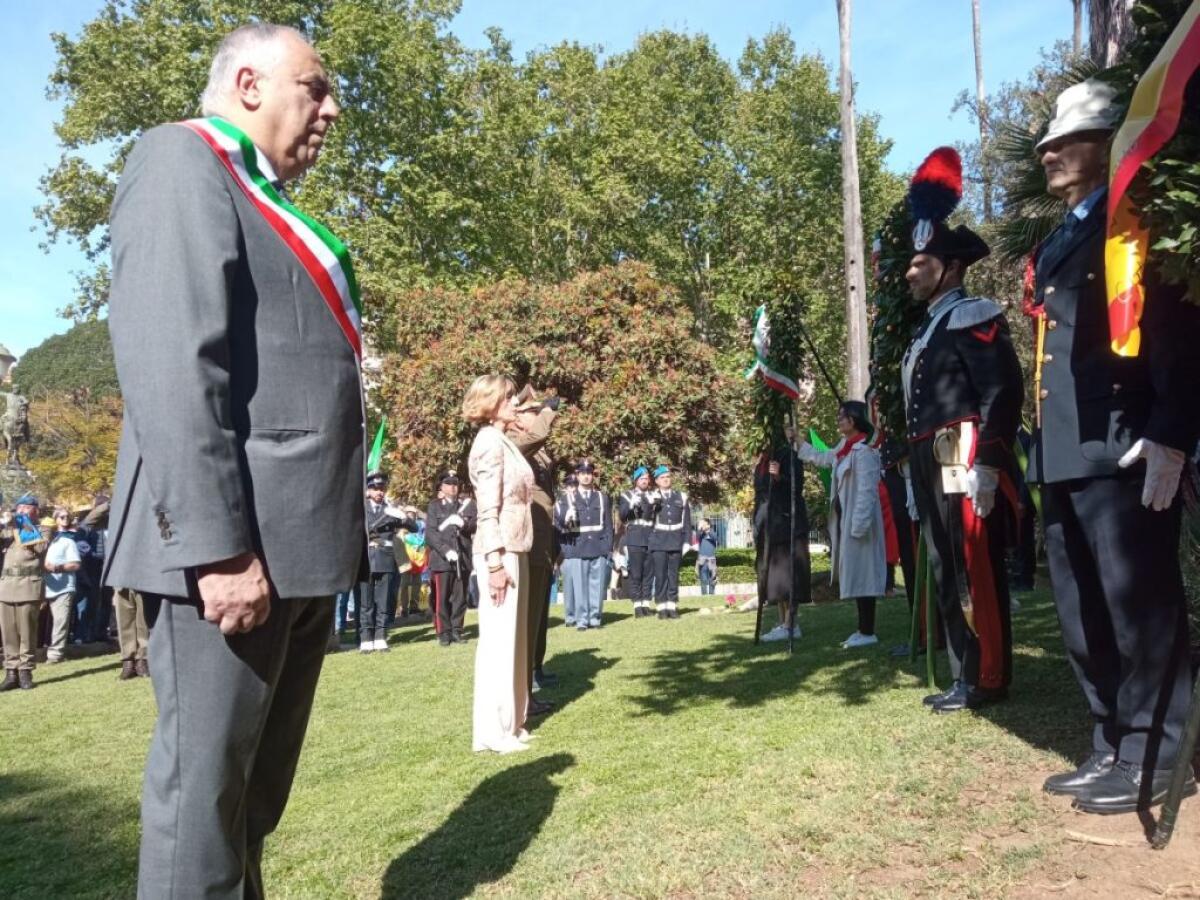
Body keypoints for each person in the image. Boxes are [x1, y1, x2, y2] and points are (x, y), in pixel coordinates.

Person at [104, 24, 361, 897]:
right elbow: (173, 365)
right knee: (203, 806)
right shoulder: (180, 163)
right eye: (314, 87)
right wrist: (217, 549)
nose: (331, 109)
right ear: (248, 83)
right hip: (234, 554)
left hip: (295, 548)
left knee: (247, 806)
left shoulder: (257, 195)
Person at [1027, 80, 1200, 814]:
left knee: (1140, 605)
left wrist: (1171, 430)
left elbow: (1177, 325)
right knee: (1082, 610)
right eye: (1048, 142)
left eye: (1069, 138)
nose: (1049, 152)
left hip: (1123, 439)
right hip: (1066, 446)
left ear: (1110, 145)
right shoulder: (1063, 235)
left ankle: (1157, 753)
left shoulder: (1135, 221)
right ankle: (1111, 742)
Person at [900, 146, 1023, 714]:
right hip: (930, 457)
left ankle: (988, 674)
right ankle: (962, 672)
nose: (909, 271)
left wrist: (989, 463)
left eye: (919, 262)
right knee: (945, 564)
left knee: (974, 564)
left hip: (964, 450)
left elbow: (1003, 392)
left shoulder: (973, 314)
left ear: (948, 266)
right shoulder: (928, 329)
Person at [463, 374, 536, 754]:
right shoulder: (489, 442)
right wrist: (493, 562)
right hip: (499, 550)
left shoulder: (502, 439)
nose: (514, 402)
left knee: (514, 642)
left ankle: (512, 722)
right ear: (490, 402)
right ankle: (493, 732)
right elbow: (486, 509)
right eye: (508, 397)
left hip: (514, 547)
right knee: (497, 642)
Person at [799, 403, 887, 648]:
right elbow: (825, 457)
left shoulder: (865, 451)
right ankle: (862, 629)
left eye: (842, 417)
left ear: (854, 419)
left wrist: (859, 524)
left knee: (865, 574)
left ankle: (868, 631)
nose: (839, 420)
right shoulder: (844, 449)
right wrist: (799, 442)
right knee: (857, 574)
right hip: (846, 519)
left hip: (860, 522)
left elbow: (867, 491)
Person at [507, 389, 561, 702]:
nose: (538, 416)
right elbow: (536, 436)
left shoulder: (536, 448)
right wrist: (548, 413)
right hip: (528, 542)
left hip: (542, 540)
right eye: (534, 411)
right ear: (521, 414)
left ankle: (534, 672)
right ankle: (523, 690)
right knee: (526, 620)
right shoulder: (512, 440)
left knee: (539, 614)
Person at [753, 428, 811, 642]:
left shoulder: (789, 454)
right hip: (770, 523)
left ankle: (791, 623)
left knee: (789, 577)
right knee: (776, 579)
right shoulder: (763, 459)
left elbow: (796, 486)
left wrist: (780, 477)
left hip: (787, 523)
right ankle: (782, 621)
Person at [554, 459, 614, 631]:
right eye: (582, 473)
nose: (586, 477)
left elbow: (608, 525)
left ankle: (595, 618)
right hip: (577, 548)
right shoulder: (567, 499)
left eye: (589, 473)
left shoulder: (602, 498)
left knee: (597, 585)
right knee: (580, 587)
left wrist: (607, 548)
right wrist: (566, 519)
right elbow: (558, 523)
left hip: (598, 546)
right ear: (578, 475)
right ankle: (581, 620)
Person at [0, 494, 48, 690]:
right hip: (7, 585)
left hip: (29, 585)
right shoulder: (9, 530)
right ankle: (11, 672)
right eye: (19, 508)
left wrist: (20, 522)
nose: (20, 511)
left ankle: (25, 671)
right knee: (8, 632)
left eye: (26, 508)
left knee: (27, 631)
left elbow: (40, 546)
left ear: (35, 511)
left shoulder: (43, 528)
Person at [426, 473, 478, 647]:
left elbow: (475, 524)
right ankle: (443, 631)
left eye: (455, 483)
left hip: (462, 558)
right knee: (441, 598)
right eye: (448, 484)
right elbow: (431, 534)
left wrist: (463, 523)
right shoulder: (434, 507)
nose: (452, 487)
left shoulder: (466, 506)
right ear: (441, 487)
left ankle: (457, 630)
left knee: (460, 597)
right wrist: (445, 550)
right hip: (442, 560)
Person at [361, 470, 400, 653]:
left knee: (383, 601)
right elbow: (361, 530)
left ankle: (380, 636)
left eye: (382, 488)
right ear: (368, 490)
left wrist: (401, 515)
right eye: (375, 488)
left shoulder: (390, 508)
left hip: (385, 557)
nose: (379, 492)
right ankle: (366, 638)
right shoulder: (361, 509)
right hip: (367, 558)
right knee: (366, 602)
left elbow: (413, 526)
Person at [647, 465, 692, 619]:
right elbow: (646, 519)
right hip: (659, 540)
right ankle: (661, 606)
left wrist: (687, 541)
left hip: (676, 539)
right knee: (660, 575)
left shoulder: (681, 496)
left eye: (668, 477)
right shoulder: (652, 497)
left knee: (673, 574)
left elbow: (687, 522)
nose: (666, 480)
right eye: (662, 478)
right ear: (657, 481)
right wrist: (651, 505)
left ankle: (672, 605)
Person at [44, 506, 82, 664]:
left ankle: (55, 656)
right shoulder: (46, 542)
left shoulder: (69, 541)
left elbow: (76, 565)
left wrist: (58, 568)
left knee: (60, 622)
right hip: (44, 587)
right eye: (62, 517)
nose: (65, 520)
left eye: (68, 517)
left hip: (63, 588)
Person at [618, 466, 657, 617]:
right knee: (636, 573)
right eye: (642, 479)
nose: (645, 481)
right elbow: (622, 516)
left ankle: (646, 604)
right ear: (636, 480)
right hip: (635, 537)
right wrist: (630, 505)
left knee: (649, 573)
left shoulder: (653, 495)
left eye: (647, 479)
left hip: (650, 537)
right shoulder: (627, 495)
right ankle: (637, 605)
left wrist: (657, 504)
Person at [114, 587, 151, 680]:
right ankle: (128, 661)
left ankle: (142, 659)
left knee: (144, 616)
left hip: (145, 578)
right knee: (123, 616)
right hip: (120, 576)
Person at [695, 519, 719, 595]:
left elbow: (715, 538)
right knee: (703, 578)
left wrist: (708, 530)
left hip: (711, 559)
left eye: (704, 524)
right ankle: (704, 594)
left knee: (712, 577)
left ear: (708, 525)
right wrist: (700, 528)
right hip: (702, 559)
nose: (703, 525)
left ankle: (712, 594)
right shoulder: (701, 535)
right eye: (702, 524)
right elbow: (697, 537)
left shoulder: (713, 533)